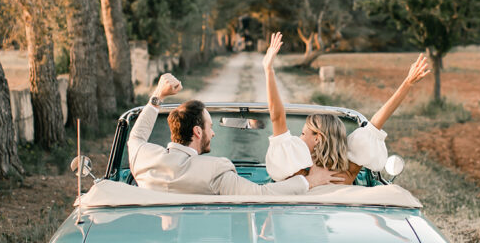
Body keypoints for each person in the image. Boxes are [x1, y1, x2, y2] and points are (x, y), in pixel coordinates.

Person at [128, 72, 339, 195]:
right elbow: (262, 195)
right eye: (211, 127)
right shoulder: (215, 171)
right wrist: (309, 182)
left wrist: (158, 95)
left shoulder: (142, 157)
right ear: (198, 132)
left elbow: (136, 137)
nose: (214, 134)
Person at [262, 32, 430, 185]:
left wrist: (268, 70)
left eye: (303, 133)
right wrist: (407, 83)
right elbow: (376, 123)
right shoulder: (348, 173)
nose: (298, 137)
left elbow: (277, 117)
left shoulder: (298, 174)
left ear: (318, 139)